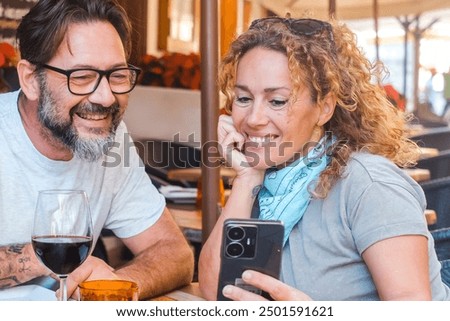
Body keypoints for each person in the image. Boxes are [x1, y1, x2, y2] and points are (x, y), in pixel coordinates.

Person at [198, 16, 450, 300]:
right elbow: (214, 292)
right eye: (243, 98)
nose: (253, 119)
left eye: (277, 101)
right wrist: (246, 179)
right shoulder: (267, 182)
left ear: (324, 108)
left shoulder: (368, 185)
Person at [0, 0, 194, 300]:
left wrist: (114, 287)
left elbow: (174, 252)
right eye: (81, 77)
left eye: (117, 76)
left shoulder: (109, 138)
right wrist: (39, 258)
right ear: (30, 80)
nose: (105, 97)